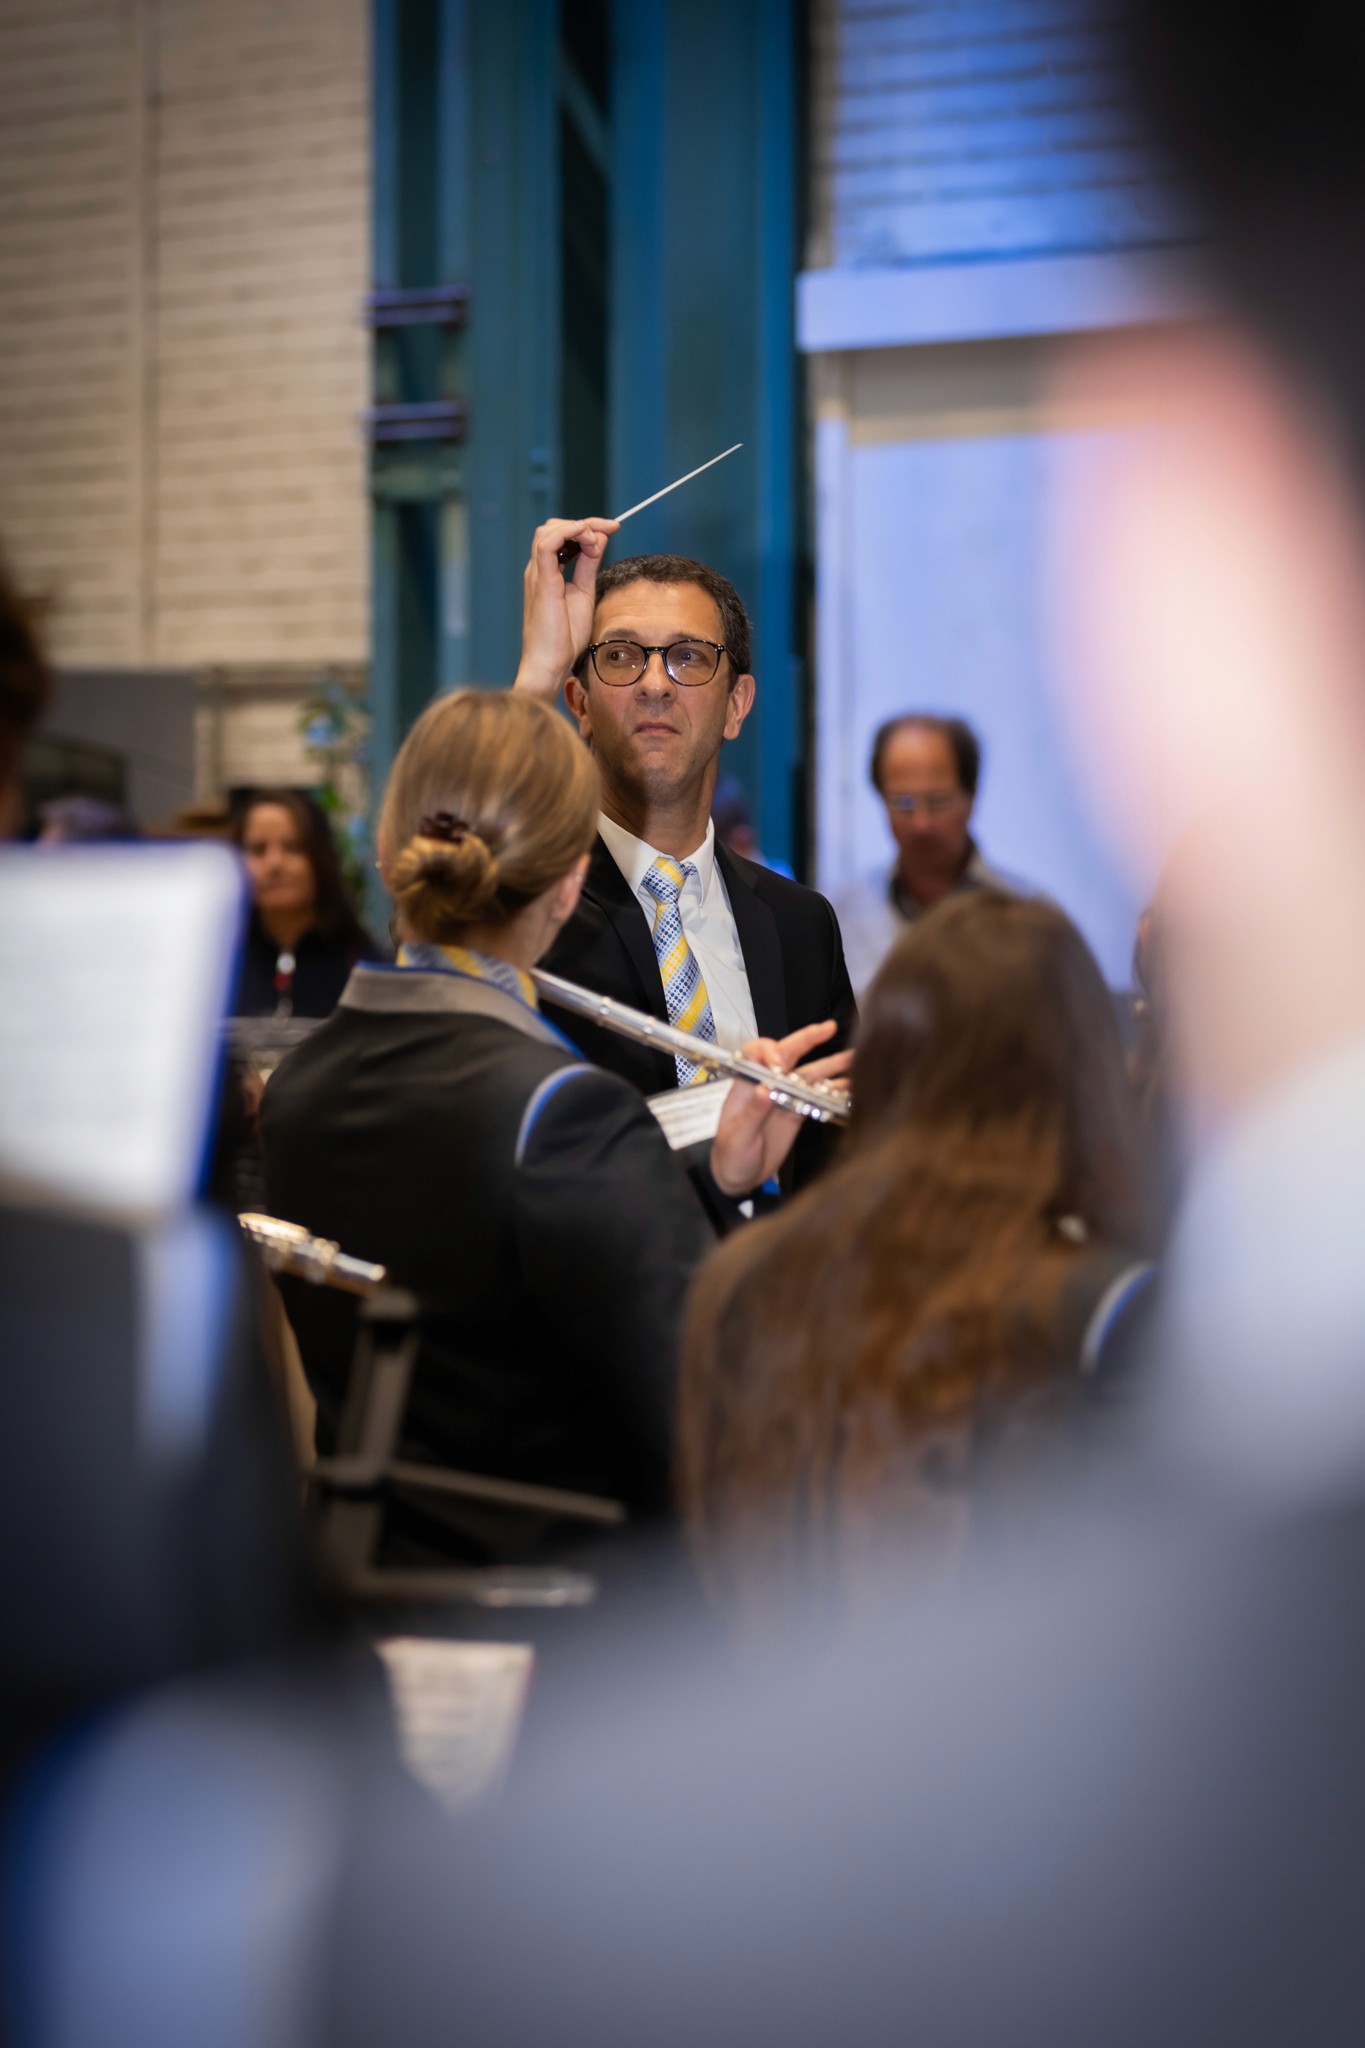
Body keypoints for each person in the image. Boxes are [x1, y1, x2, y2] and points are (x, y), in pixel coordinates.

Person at [260, 688, 845, 1566]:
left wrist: (710, 1176)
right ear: (571, 882)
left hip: (362, 1587)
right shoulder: (562, 1111)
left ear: (386, 855)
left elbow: (486, 1295)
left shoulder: (295, 1088)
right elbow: (701, 1407)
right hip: (558, 1621)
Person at [678, 892, 1153, 1632]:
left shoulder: (749, 1281)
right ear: (1082, 1067)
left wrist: (731, 1190)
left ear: (892, 1059)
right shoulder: (1105, 1310)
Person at [513, 523, 855, 1181]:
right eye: (619, 656)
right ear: (577, 703)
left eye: (689, 658)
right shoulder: (527, 901)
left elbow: (837, 1162)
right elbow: (442, 892)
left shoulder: (799, 924)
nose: (654, 684)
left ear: (736, 704)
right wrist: (537, 672)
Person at [832, 713, 1029, 998]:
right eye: (903, 803)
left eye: (937, 802)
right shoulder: (841, 917)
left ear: (971, 798)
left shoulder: (1022, 917)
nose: (920, 823)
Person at [231, 788, 382, 1020]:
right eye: (258, 850)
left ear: (321, 858)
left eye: (292, 847)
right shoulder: (216, 968)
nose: (274, 863)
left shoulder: (365, 968)